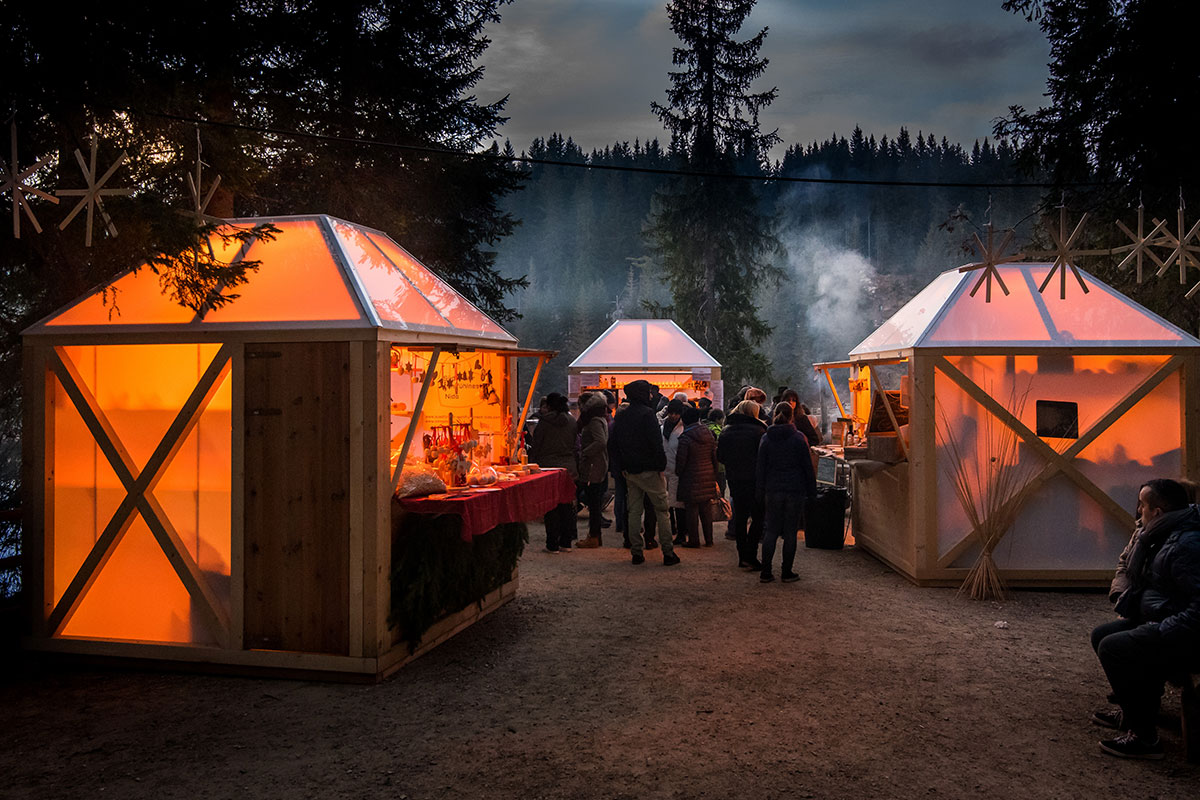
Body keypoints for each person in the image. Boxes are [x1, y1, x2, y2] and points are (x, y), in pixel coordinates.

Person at [1090, 478, 1200, 759]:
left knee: (1114, 647)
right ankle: (1135, 713)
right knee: (1102, 635)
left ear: (1158, 512)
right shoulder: (1156, 534)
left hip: (1184, 633)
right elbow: (1129, 567)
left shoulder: (1186, 544)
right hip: (1164, 618)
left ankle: (1144, 738)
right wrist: (1126, 598)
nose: (1138, 510)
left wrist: (1161, 629)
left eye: (1143, 505)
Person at [608, 380, 681, 566]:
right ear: (643, 394)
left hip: (630, 471)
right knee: (662, 510)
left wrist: (621, 466)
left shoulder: (622, 416)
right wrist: (660, 466)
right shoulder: (648, 414)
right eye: (649, 392)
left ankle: (636, 552)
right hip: (650, 469)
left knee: (634, 511)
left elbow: (613, 443)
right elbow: (655, 443)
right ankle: (668, 552)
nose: (651, 395)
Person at [755, 402, 817, 583]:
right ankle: (786, 571)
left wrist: (760, 490)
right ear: (792, 416)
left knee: (771, 530)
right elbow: (807, 467)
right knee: (790, 532)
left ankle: (766, 571)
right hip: (794, 489)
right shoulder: (799, 438)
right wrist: (811, 492)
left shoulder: (766, 438)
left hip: (772, 489)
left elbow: (761, 467)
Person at [718, 399, 767, 570]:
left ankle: (742, 556)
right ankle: (751, 554)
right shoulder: (760, 431)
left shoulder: (726, 430)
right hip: (754, 480)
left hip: (735, 480)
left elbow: (720, 457)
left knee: (740, 518)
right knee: (758, 518)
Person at [528, 392, 578, 552]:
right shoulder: (571, 421)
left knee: (551, 507)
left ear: (548, 406)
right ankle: (566, 542)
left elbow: (537, 445)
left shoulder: (544, 423)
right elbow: (575, 444)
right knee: (567, 505)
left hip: (547, 467)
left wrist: (532, 464)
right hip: (568, 467)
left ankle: (552, 544)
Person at [675, 405, 719, 548]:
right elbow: (714, 457)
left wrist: (678, 472)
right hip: (707, 475)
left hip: (690, 477)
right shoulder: (708, 434)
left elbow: (681, 461)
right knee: (706, 510)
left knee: (691, 510)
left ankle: (694, 540)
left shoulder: (685, 438)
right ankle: (709, 539)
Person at [575, 392, 609, 548]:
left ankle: (594, 536)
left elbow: (600, 442)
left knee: (594, 502)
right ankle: (595, 536)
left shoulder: (594, 421)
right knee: (594, 502)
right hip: (598, 463)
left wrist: (585, 452)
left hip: (593, 465)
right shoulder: (601, 418)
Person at [662, 398, 686, 545]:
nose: (673, 416)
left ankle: (682, 533)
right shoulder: (662, 428)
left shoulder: (684, 429)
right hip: (664, 470)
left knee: (678, 504)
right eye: (671, 413)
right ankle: (671, 529)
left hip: (678, 471)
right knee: (666, 503)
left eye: (676, 413)